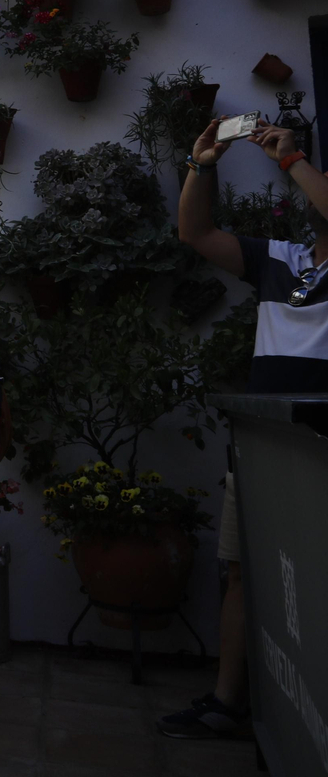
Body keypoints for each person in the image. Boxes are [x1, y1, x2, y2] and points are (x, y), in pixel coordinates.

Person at [162, 118, 328, 740]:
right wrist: (202, 165)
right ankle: (228, 702)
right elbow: (195, 232)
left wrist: (290, 161)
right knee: (242, 569)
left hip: (321, 451)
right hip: (262, 450)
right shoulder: (280, 259)